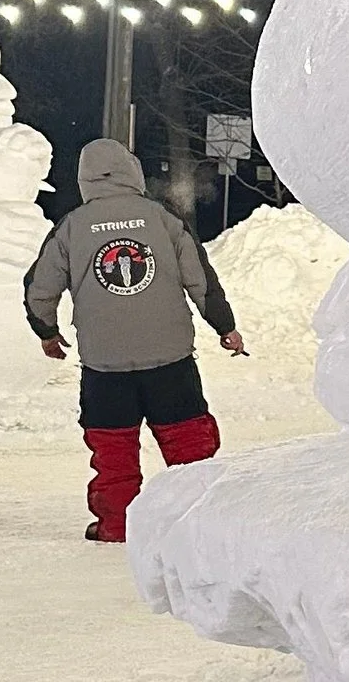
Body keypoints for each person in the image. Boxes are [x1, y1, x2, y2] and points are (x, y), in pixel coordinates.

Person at [25, 138, 247, 540]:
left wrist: (47, 331)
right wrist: (224, 326)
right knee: (188, 444)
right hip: (170, 359)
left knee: (113, 449)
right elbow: (201, 278)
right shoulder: (162, 218)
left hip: (104, 365)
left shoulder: (72, 226)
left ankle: (118, 524)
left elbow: (39, 288)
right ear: (132, 172)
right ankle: (197, 519)